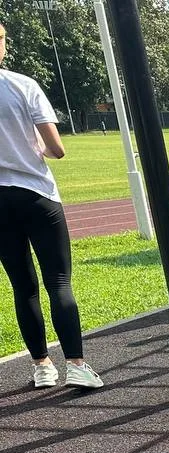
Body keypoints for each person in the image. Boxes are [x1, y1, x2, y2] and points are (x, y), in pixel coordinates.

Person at [0, 22, 102, 390]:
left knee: (22, 287)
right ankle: (76, 363)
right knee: (58, 281)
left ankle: (42, 365)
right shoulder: (22, 85)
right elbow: (56, 148)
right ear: (4, 44)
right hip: (36, 193)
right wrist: (37, 152)